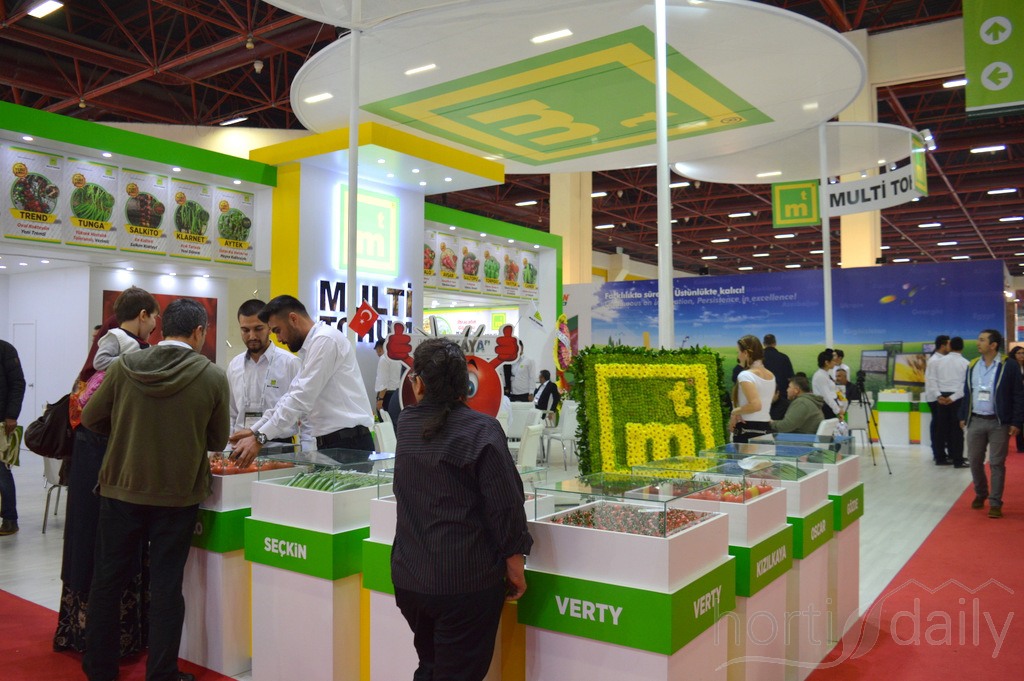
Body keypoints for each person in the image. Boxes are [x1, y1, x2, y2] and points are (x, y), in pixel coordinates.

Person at [81, 298, 230, 681]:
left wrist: (127, 431)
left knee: (107, 581)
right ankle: (162, 672)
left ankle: (99, 668)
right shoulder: (212, 376)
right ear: (199, 332)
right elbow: (217, 439)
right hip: (178, 495)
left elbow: (91, 417)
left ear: (162, 328)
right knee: (166, 586)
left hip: (121, 487)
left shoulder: (125, 366)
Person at [391, 338, 532, 681]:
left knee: (431, 666)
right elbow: (506, 504)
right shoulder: (481, 429)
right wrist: (515, 563)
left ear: (419, 384)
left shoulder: (406, 424)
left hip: (411, 578)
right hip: (464, 581)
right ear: (465, 384)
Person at [55, 287, 159, 654]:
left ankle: (93, 639)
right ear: (142, 315)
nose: (154, 327)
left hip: (98, 459)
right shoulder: (123, 351)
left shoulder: (114, 347)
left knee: (98, 542)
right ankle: (107, 642)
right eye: (153, 318)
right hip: (105, 460)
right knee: (107, 545)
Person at [230, 295, 374, 467]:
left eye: (277, 330)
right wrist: (254, 431)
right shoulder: (311, 347)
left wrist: (260, 438)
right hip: (334, 444)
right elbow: (289, 397)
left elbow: (300, 399)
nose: (278, 339)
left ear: (293, 319)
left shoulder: (325, 340)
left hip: (348, 444)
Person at [958, 329, 1024, 519]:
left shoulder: (1009, 365)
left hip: (999, 422)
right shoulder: (973, 365)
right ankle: (981, 493)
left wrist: (1016, 421)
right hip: (975, 420)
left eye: (982, 340)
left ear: (993, 345)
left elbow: (1018, 395)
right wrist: (963, 415)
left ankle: (995, 502)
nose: (977, 343)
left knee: (996, 463)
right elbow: (967, 393)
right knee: (974, 460)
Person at [227, 298, 303, 446]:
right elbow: (231, 413)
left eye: (258, 329)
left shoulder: (290, 363)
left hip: (279, 446)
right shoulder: (234, 365)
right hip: (240, 445)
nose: (252, 336)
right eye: (245, 330)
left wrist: (308, 451)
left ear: (269, 327)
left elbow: (304, 413)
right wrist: (226, 447)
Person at [0, 339, 26, 536]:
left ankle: (10, 519)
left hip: (2, 422)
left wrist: (11, 415)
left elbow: (18, 383)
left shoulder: (5, 349)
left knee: (2, 471)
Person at [729, 335, 776, 442]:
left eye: (738, 352)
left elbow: (755, 405)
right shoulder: (771, 375)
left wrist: (734, 412)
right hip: (766, 429)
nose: (738, 356)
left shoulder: (746, 375)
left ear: (746, 353)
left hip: (747, 429)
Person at [933, 336, 969, 468]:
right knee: (957, 430)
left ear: (950, 346)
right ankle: (957, 460)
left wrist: (939, 396)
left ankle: (940, 458)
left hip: (941, 398)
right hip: (957, 398)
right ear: (962, 347)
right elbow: (965, 385)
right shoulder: (966, 363)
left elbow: (932, 380)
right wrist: (953, 397)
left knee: (941, 429)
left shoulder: (939, 362)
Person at [923, 335, 951, 464]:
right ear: (943, 346)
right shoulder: (935, 360)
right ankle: (939, 455)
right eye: (949, 344)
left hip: (939, 397)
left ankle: (941, 453)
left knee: (941, 426)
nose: (950, 347)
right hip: (935, 399)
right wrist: (939, 396)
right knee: (938, 427)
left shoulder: (942, 359)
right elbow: (932, 381)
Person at [762, 334, 795, 421]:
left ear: (764, 343)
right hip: (781, 398)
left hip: (761, 397)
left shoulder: (758, 359)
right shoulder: (784, 357)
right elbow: (790, 378)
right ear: (775, 343)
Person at [374, 337, 403, 416]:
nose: (377, 354)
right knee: (394, 419)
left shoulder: (384, 359)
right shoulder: (397, 358)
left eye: (377, 351)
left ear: (380, 348)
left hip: (386, 395)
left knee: (385, 420)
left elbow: (383, 381)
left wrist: (380, 399)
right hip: (397, 394)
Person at [812, 349, 843, 419]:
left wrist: (839, 405)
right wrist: (837, 410)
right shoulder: (820, 376)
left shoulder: (826, 374)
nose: (835, 363)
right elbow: (827, 396)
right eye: (833, 361)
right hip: (826, 408)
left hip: (830, 406)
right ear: (827, 362)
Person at [1009, 345, 1024, 453]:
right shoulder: (1011, 367)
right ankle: (1020, 445)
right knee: (1017, 421)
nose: (1021, 355)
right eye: (1019, 353)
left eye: (1023, 353)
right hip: (1015, 398)